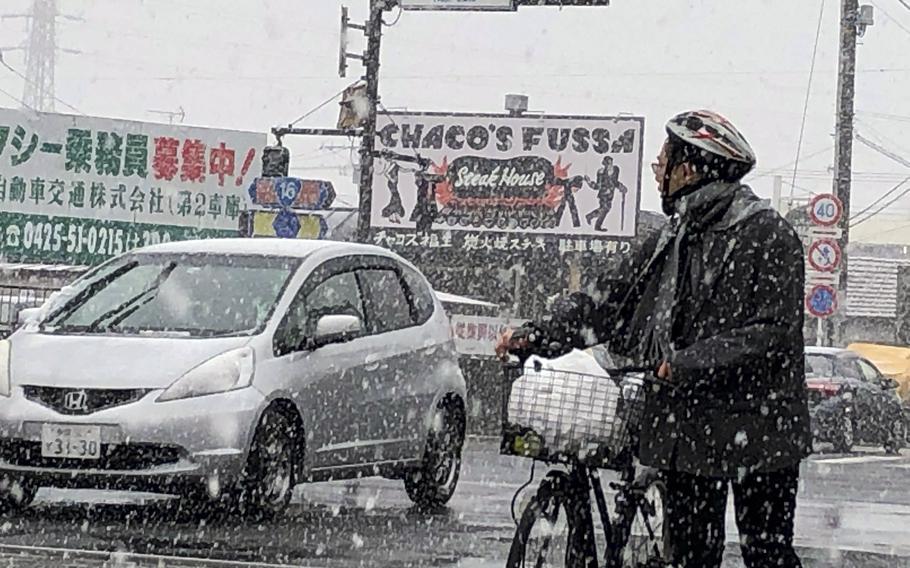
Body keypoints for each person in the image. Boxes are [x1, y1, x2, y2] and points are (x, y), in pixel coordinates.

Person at [497, 110, 811, 568]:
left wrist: (686, 362)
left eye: (665, 158)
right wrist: (538, 334)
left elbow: (772, 333)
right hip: (688, 427)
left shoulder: (768, 235)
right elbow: (608, 301)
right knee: (689, 557)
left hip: (760, 429)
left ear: (692, 167)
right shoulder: (673, 234)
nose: (659, 169)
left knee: (766, 553)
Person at [584, 157, 629, 231]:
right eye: (607, 164)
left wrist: (622, 187)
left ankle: (591, 218)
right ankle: (595, 222)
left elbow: (615, 182)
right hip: (603, 195)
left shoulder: (616, 169)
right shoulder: (601, 172)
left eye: (610, 163)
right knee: (605, 209)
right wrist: (589, 182)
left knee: (605, 210)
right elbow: (597, 186)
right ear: (604, 164)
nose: (609, 165)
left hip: (611, 195)